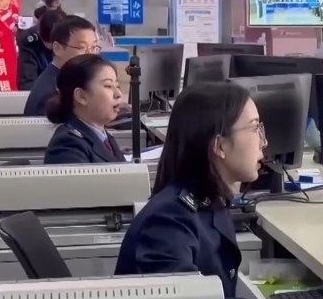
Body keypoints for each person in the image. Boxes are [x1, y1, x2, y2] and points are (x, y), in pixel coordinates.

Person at [114, 82, 266, 299]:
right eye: (254, 128)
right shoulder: (167, 224)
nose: (263, 142)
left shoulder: (211, 198)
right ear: (219, 146)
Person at [43, 54, 125, 165]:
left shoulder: (104, 136)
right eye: (108, 86)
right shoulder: (68, 146)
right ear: (81, 96)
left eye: (117, 86)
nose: (118, 94)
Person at [24, 16, 99, 116]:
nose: (90, 54)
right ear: (57, 48)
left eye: (93, 47)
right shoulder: (52, 94)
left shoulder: (68, 79)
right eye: (82, 47)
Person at [17, 9, 66, 90]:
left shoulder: (73, 40)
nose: (55, 49)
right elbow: (27, 81)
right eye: (51, 44)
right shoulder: (30, 41)